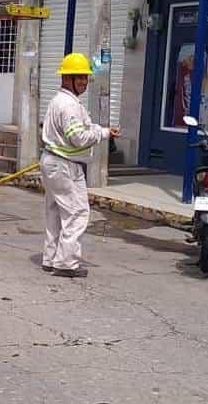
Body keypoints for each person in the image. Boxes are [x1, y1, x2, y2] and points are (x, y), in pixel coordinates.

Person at [40, 53, 120, 278]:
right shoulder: (69, 106)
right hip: (65, 165)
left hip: (54, 162)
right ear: (67, 79)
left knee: (55, 213)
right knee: (77, 213)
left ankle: (51, 258)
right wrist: (101, 134)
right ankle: (66, 263)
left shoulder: (60, 101)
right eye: (80, 78)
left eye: (86, 78)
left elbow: (80, 128)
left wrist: (101, 130)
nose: (84, 82)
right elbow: (78, 137)